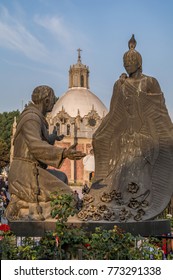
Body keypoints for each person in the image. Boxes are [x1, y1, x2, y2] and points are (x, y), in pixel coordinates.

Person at [78, 35, 173, 222]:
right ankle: (120, 202)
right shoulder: (120, 85)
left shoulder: (150, 82)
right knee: (120, 170)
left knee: (136, 167)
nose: (127, 64)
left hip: (145, 135)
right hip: (125, 135)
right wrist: (100, 135)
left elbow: (159, 110)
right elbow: (114, 113)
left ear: (139, 62)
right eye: (124, 61)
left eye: (131, 60)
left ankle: (140, 200)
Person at [5, 85, 85, 221]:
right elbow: (35, 145)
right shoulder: (31, 118)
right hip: (26, 173)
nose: (54, 104)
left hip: (31, 169)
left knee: (62, 177)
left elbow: (39, 140)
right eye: (53, 101)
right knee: (68, 197)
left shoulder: (36, 117)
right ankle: (26, 208)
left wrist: (52, 138)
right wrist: (64, 153)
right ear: (46, 101)